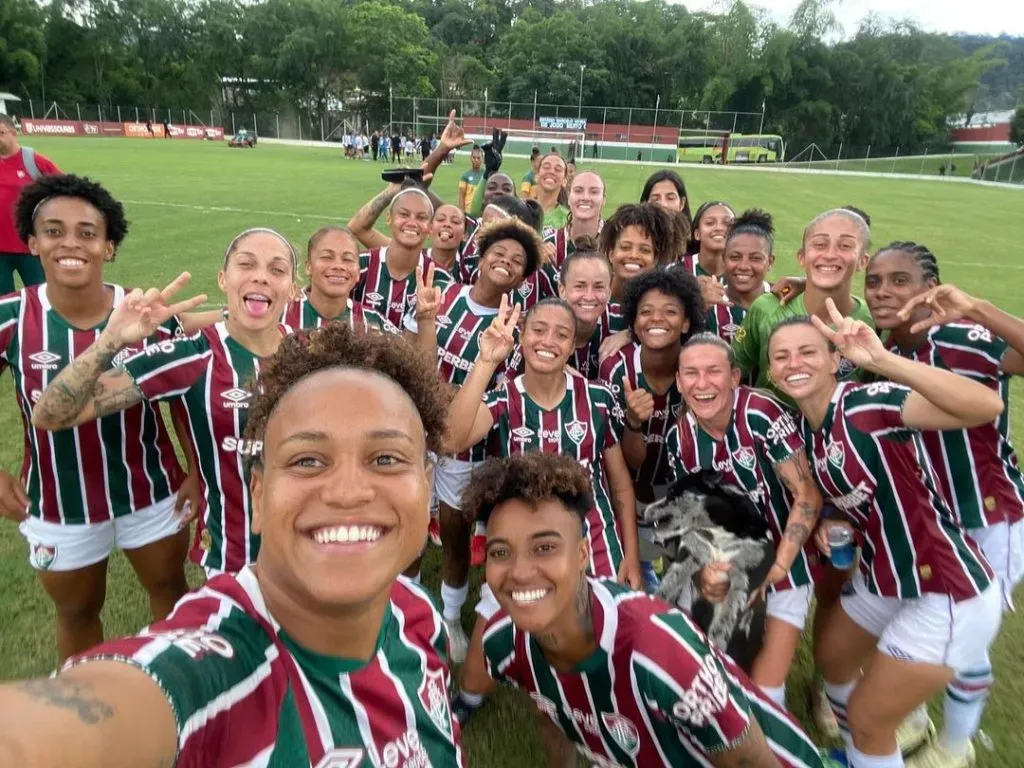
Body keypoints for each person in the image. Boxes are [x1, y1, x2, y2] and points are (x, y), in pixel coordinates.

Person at [0, 325, 466, 768]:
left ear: (426, 487)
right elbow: (73, 728)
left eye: (386, 458)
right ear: (258, 494)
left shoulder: (415, 615)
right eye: (307, 460)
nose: (347, 492)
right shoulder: (213, 674)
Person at [467, 452, 830, 768]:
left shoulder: (659, 651)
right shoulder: (502, 643)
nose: (520, 572)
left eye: (544, 547)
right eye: (501, 552)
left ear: (582, 556)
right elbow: (547, 708)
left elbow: (751, 761)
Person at [768, 306, 1004, 768]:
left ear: (835, 360)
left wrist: (884, 360)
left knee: (868, 717)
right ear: (771, 371)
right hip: (888, 575)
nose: (793, 363)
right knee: (834, 661)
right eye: (781, 356)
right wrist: (834, 525)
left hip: (947, 590)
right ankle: (865, 753)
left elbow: (985, 405)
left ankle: (871, 747)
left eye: (807, 352)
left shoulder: (866, 403)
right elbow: (848, 499)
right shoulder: (807, 428)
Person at [0, 175, 199, 662]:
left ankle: (170, 695)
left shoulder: (147, 312)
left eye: (87, 233)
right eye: (54, 231)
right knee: (77, 611)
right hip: (56, 499)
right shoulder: (10, 317)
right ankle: (86, 704)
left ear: (108, 247)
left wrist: (196, 471)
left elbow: (179, 399)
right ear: (32, 241)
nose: (71, 243)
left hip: (152, 490)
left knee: (169, 591)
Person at [33, 228, 298, 577]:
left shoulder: (313, 353)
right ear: (223, 278)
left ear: (293, 290)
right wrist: (111, 340)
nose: (261, 276)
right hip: (233, 563)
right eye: (246, 265)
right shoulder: (191, 354)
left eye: (277, 270)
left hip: (313, 554)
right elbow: (51, 413)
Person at [446, 297, 643, 724]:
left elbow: (620, 483)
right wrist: (484, 361)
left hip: (592, 532)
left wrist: (630, 552)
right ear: (521, 335)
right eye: (538, 330)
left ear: (573, 346)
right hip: (523, 535)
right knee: (494, 623)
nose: (548, 340)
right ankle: (470, 699)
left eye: (561, 334)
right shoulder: (504, 398)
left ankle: (598, 711)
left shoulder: (596, 398)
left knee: (600, 628)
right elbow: (452, 438)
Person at [864, 242, 1024, 767]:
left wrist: (976, 307)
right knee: (923, 617)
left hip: (988, 515)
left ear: (929, 287)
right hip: (934, 519)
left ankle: (956, 746)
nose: (884, 291)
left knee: (967, 641)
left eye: (899, 280)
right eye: (876, 281)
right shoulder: (884, 347)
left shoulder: (961, 337)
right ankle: (912, 711)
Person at [406, 218, 542, 662]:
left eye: (516, 262)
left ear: (522, 278)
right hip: (416, 433)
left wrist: (443, 394)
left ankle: (448, 616)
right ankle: (406, 606)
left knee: (455, 533)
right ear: (481, 259)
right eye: (498, 254)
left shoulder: (515, 327)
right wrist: (426, 321)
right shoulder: (441, 297)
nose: (505, 262)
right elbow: (417, 365)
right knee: (407, 526)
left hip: (468, 448)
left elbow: (490, 393)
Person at [666, 332, 823, 709]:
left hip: (787, 563)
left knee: (766, 693)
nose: (701, 384)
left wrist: (776, 568)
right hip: (728, 564)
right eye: (691, 373)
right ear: (678, 381)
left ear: (735, 377)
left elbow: (807, 495)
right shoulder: (680, 440)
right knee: (716, 675)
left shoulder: (760, 414)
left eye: (713, 372)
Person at [732, 208, 875, 406]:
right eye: (820, 244)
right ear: (802, 257)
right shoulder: (767, 307)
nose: (830, 254)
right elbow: (731, 371)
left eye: (845, 245)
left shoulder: (872, 323)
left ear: (863, 261)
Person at [600, 269, 704, 505]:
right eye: (646, 311)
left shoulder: (698, 371)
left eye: (670, 311)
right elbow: (632, 463)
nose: (657, 318)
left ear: (686, 323)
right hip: (629, 492)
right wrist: (634, 423)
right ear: (634, 325)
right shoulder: (617, 371)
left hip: (683, 490)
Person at [281, 225, 394, 331]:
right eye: (327, 257)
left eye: (348, 259)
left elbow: (406, 348)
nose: (338, 266)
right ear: (309, 266)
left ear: (358, 272)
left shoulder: (372, 322)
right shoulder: (280, 313)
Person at [0, 114, 61, 294]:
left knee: (40, 295)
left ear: (13, 133)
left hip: (29, 246)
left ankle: (40, 323)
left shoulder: (33, 161)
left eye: (1, 133)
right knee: (3, 301)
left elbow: (65, 188)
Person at [598, 202, 677, 334]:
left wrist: (630, 335)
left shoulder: (664, 304)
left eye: (645, 250)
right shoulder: (592, 296)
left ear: (656, 259)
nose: (634, 255)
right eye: (625, 247)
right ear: (610, 253)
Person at [705, 209, 775, 345]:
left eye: (755, 258)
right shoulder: (708, 306)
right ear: (724, 258)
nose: (743, 266)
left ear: (770, 262)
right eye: (735, 257)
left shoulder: (784, 298)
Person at [544, 170, 605, 270]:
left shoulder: (616, 241)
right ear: (569, 198)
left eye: (594, 192)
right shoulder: (549, 244)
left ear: (604, 200)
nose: (585, 197)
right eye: (578, 191)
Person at [533, 152, 570, 231]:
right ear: (536, 176)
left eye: (558, 169)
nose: (551, 172)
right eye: (546, 167)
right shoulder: (521, 210)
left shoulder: (568, 219)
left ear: (564, 181)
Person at [458, 146, 484, 213]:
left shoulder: (486, 175)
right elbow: (461, 196)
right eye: (474, 157)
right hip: (468, 212)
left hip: (481, 212)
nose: (476, 160)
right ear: (471, 158)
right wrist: (461, 213)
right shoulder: (465, 176)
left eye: (478, 158)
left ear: (482, 159)